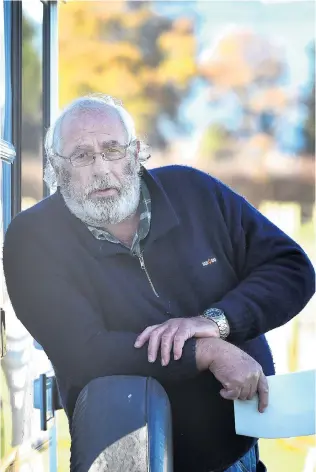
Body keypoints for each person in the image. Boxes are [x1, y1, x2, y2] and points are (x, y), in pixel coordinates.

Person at [3, 94, 315, 472]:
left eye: (112, 149)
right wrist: (207, 352)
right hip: (123, 455)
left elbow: (291, 267)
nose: (101, 168)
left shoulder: (195, 192)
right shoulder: (31, 239)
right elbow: (84, 350)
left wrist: (216, 321)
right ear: (57, 167)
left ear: (135, 154)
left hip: (236, 454)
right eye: (81, 155)